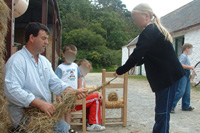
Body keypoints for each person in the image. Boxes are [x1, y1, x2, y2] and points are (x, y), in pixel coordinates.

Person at [4, 22, 87, 132]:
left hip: (43, 114)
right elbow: (11, 90)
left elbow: (55, 82)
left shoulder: (44, 61)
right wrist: (40, 103)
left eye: (47, 39)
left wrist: (72, 91)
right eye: (43, 38)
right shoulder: (17, 60)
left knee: (65, 129)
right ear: (32, 38)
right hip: (24, 116)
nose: (47, 42)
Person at [114, 3, 185, 133]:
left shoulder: (149, 31)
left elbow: (136, 54)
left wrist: (121, 70)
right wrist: (138, 63)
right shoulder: (153, 30)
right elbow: (149, 54)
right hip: (168, 77)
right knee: (163, 113)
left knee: (162, 113)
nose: (135, 22)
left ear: (146, 16)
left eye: (136, 18)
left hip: (167, 78)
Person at [55, 46, 105, 132]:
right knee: (63, 111)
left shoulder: (75, 66)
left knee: (68, 112)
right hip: (64, 94)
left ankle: (68, 129)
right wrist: (58, 95)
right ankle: (63, 130)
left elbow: (79, 77)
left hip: (73, 94)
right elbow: (56, 82)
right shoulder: (60, 67)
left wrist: (79, 89)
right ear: (64, 55)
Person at [171, 43, 194, 113]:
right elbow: (181, 65)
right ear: (187, 48)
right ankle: (171, 106)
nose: (191, 50)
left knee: (187, 92)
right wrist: (190, 67)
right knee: (181, 91)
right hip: (183, 74)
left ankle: (186, 105)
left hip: (187, 74)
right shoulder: (183, 56)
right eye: (191, 49)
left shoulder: (186, 57)